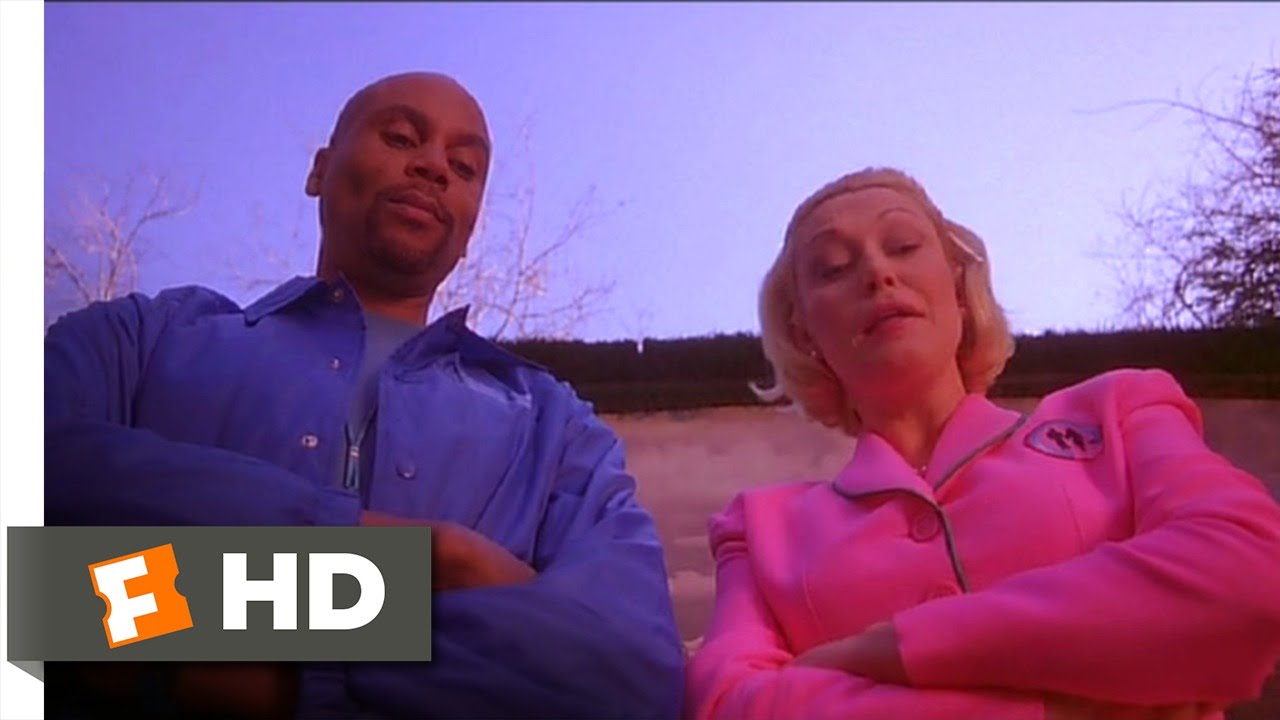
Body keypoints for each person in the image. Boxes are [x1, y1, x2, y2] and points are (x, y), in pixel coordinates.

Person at [44, 71, 684, 720]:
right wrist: (437, 562)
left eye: (464, 167)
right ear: (319, 170)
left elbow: (630, 676)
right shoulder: (144, 339)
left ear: (470, 229)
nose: (434, 166)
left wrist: (249, 674)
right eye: (402, 136)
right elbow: (37, 581)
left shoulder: (553, 428)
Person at [683, 167, 1280, 720]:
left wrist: (889, 649)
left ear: (959, 285)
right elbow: (727, 704)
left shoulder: (1121, 412)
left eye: (903, 246)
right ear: (803, 330)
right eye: (834, 267)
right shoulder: (759, 530)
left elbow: (1251, 573)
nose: (877, 274)